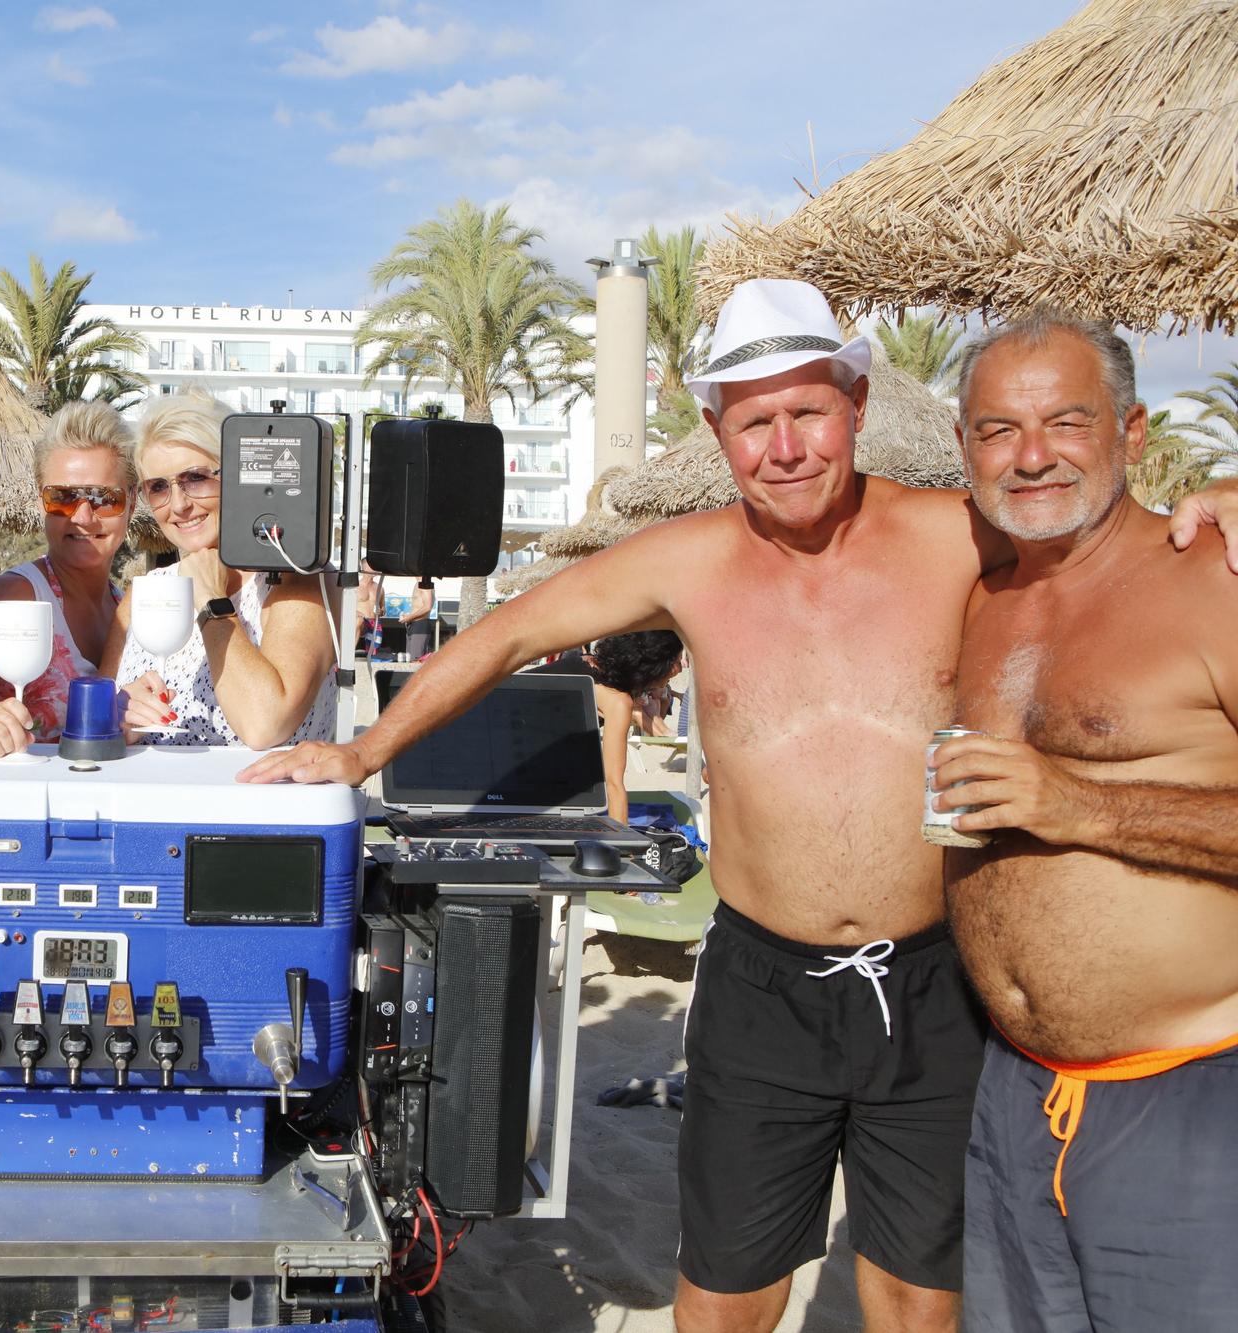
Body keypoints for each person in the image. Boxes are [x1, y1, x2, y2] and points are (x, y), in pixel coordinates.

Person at [243, 279, 1238, 1333]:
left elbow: (1095, 527)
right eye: (754, 422)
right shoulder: (687, 560)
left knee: (914, 1298)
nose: (786, 446)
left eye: (808, 411)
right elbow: (506, 636)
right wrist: (359, 749)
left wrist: (1219, 494)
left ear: (855, 404)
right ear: (717, 432)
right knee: (722, 1298)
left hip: (935, 980)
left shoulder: (958, 533)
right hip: (762, 980)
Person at [932, 312, 1238, 1331]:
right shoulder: (979, 597)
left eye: (1065, 421)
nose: (1029, 457)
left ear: (1132, 432)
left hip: (1189, 1094)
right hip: (1013, 1096)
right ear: (962, 447)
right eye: (995, 430)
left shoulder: (1214, 579)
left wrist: (1080, 804)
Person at [106, 392, 337, 748]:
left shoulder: (296, 579)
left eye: (196, 478)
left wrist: (212, 603)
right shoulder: (146, 592)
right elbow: (97, 731)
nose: (179, 505)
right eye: (158, 487)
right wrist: (119, 714)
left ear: (239, 477)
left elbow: (264, 725)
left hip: (262, 803)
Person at [0, 401, 134, 756]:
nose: (82, 516)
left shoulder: (125, 607)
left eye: (103, 498)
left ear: (133, 502)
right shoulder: (13, 596)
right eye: (62, 498)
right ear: (40, 502)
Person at [583, 631, 685, 822]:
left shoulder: (588, 666)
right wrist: (623, 845)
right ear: (655, 664)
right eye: (677, 662)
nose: (680, 669)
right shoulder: (616, 699)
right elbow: (613, 782)